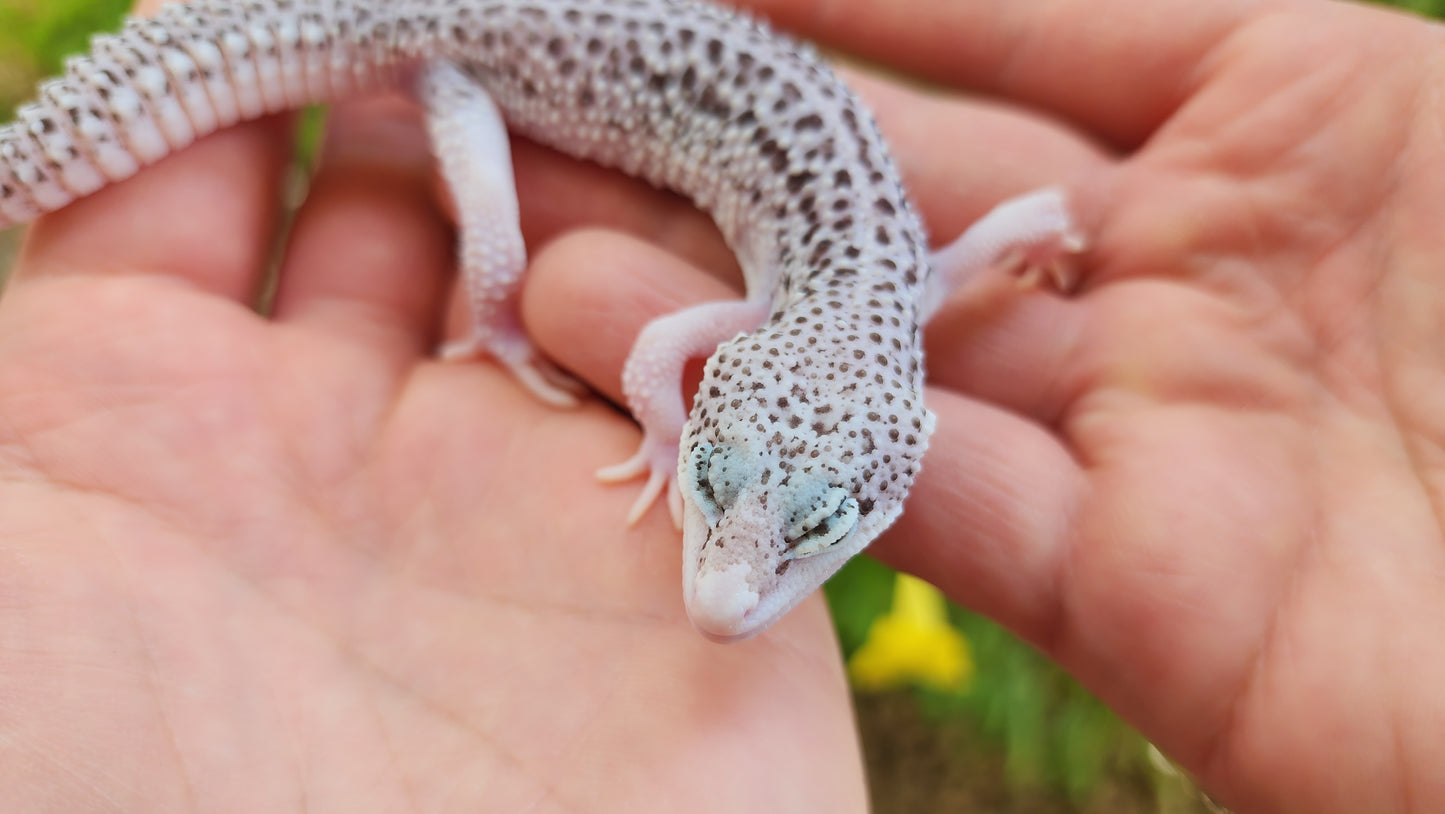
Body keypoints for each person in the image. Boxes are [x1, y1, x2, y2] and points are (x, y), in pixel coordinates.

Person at [1, 0, 1439, 810]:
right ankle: (488, 313)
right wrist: (618, 403)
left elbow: (1003, 232)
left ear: (897, 462)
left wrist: (1047, 233)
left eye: (803, 535)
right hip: (458, 52)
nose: (728, 583)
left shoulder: (880, 300)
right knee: (506, 255)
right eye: (728, 492)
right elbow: (657, 358)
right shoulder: (845, 310)